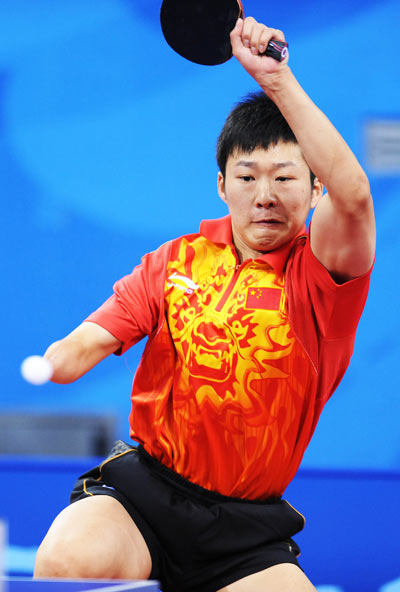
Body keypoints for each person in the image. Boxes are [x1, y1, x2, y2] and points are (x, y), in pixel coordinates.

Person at [33, 16, 375, 592]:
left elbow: (356, 193)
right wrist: (67, 354)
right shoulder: (175, 261)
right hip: (145, 496)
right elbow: (99, 333)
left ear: (316, 190)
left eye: (285, 178)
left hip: (244, 532)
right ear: (222, 185)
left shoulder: (323, 278)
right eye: (247, 176)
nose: (264, 195)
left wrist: (278, 80)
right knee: (70, 561)